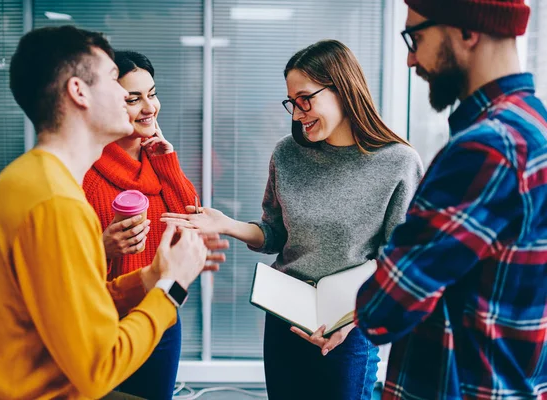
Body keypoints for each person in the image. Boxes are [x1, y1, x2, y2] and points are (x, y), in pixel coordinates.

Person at [0, 25, 223, 399]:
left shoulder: (34, 179)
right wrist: (171, 287)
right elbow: (99, 367)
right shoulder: (56, 203)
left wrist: (152, 275)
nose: (135, 101)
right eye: (114, 80)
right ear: (79, 93)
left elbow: (71, 310)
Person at [162, 39, 424, 399]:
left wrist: (352, 319)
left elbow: (397, 260)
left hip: (347, 326)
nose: (298, 114)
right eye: (292, 103)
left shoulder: (398, 162)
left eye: (306, 100)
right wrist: (225, 224)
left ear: (342, 88)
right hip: (285, 315)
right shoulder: (287, 153)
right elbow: (274, 234)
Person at [355, 1, 547, 399]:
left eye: (415, 37)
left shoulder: (488, 149)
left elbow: (380, 311)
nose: (410, 59)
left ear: (466, 31)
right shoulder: (535, 125)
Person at [82, 50, 220, 399]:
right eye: (134, 99)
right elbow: (66, 270)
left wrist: (167, 161)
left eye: (152, 94)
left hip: (163, 314)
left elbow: (191, 220)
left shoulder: (157, 159)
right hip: (110, 321)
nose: (150, 108)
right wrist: (104, 246)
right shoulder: (87, 175)